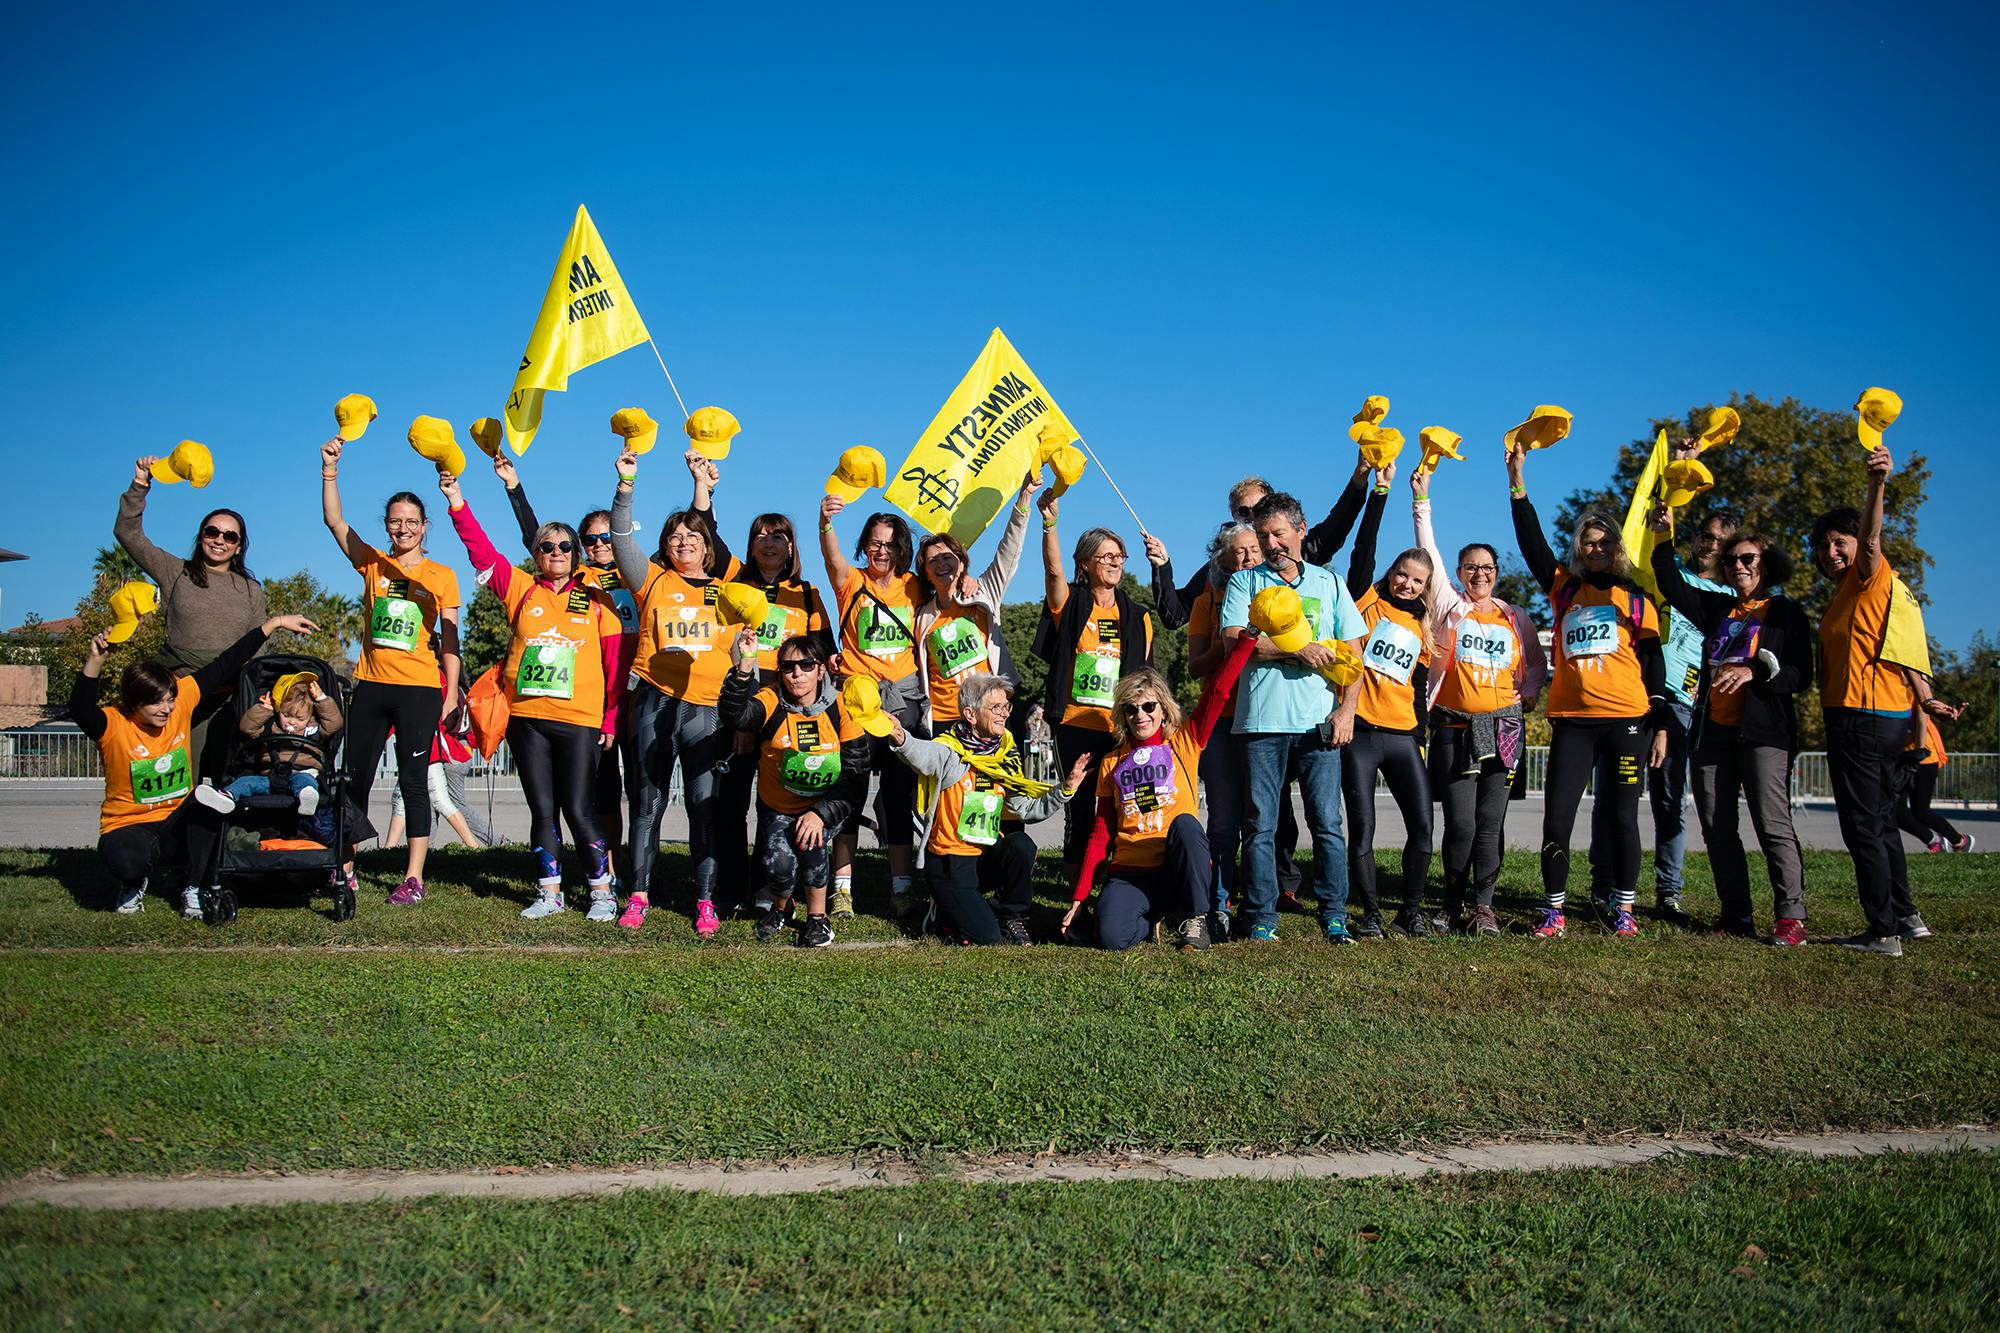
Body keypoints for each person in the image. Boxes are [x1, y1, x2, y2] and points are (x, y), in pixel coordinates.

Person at [443, 469, 622, 920]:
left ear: (576, 554)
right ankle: (549, 892)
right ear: (536, 555)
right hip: (527, 719)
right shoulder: (520, 590)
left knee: (581, 810)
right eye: (547, 546)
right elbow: (479, 551)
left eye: (565, 546)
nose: (556, 552)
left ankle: (602, 891)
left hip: (580, 719)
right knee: (542, 810)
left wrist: (610, 719)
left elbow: (615, 665)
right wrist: (457, 500)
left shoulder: (598, 597)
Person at [1508, 446, 1666, 940]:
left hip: (1628, 722)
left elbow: (1656, 664)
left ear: (1616, 546)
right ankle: (1553, 913)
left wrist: (1660, 723)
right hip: (1573, 721)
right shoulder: (1564, 590)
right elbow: (1532, 544)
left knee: (1622, 817)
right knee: (1557, 816)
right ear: (1579, 549)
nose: (1594, 550)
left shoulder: (1636, 597)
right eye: (1587, 544)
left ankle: (1623, 909)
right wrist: (1518, 484)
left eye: (1602, 543)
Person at [71, 614, 317, 917]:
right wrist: (95, 660)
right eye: (156, 703)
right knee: (125, 859)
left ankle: (193, 887)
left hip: (177, 819)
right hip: (128, 826)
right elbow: (80, 708)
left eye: (170, 700)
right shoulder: (113, 724)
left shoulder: (182, 701)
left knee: (210, 800)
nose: (167, 709)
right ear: (134, 704)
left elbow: (225, 664)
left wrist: (274, 624)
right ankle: (133, 884)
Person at [1647, 504, 1814, 944]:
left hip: (1763, 733)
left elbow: (1802, 673)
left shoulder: (1784, 613)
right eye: (1731, 560)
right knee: (1716, 825)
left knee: (1771, 823)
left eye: (1748, 559)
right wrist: (1664, 536)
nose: (1738, 566)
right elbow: (1669, 583)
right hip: (1712, 733)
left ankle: (1790, 915)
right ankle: (1736, 913)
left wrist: (1756, 673)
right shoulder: (1721, 609)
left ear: (1766, 564)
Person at [1813, 446, 1955, 955]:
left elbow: (1872, 537)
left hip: (1861, 719)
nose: (1832, 551)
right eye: (1823, 545)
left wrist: (1877, 485)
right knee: (1883, 820)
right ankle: (1906, 916)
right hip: (1885, 719)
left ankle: (1882, 931)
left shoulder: (1868, 577)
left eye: (1839, 542)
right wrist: (1926, 697)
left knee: (1863, 827)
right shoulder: (1861, 593)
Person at [1219, 490, 1369, 943]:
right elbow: (1233, 644)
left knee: (1327, 823)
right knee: (1260, 824)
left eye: (1279, 534)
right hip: (1262, 723)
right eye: (1264, 536)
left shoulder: (1329, 583)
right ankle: (1262, 915)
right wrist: (1298, 649)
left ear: (1300, 532)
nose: (1272, 544)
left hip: (1319, 723)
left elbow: (1354, 653)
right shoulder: (1245, 584)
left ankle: (1334, 912)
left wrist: (1347, 710)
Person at [319, 439, 462, 905]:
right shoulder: (372, 565)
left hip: (419, 688)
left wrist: (453, 691)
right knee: (354, 777)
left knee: (413, 781)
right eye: (395, 521)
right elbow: (335, 523)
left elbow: (452, 639)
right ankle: (345, 868)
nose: (403, 528)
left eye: (411, 521)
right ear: (387, 526)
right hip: (372, 685)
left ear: (425, 527)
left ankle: (414, 877)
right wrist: (330, 472)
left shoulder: (442, 576)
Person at [493, 452, 641, 892]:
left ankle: (636, 873)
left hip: (639, 688)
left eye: (604, 539)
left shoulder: (639, 573)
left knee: (641, 787)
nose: (598, 546)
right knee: (601, 786)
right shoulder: (576, 580)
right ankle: (606, 873)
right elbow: (534, 537)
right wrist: (513, 487)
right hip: (590, 696)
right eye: (590, 541)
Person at [609, 447, 740, 934]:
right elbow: (621, 538)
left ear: (707, 547)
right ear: (664, 546)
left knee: (704, 808)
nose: (683, 540)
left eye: (692, 535)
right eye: (674, 535)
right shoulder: (653, 580)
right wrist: (626, 483)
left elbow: (708, 521)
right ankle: (638, 894)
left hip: (707, 708)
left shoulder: (728, 581)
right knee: (647, 803)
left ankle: (705, 901)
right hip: (654, 700)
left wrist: (702, 488)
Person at [1592, 486, 1738, 923]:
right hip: (1634, 694)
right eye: (1705, 535)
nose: (1709, 543)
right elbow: (1651, 538)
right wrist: (1675, 477)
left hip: (1682, 706)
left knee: (1669, 802)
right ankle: (1603, 884)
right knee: (1612, 797)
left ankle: (1668, 892)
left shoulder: (1728, 600)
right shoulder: (1667, 571)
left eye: (1720, 540)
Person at [1411, 468, 1545, 936]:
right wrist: (1421, 502)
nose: (1479, 575)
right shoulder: (1450, 606)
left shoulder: (1516, 616)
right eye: (1471, 568)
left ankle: (1483, 908)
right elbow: (1428, 552)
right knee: (1462, 823)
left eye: (1487, 568)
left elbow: (1536, 664)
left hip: (1505, 727)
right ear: (1461, 573)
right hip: (1454, 726)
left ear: (1496, 573)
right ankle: (1450, 905)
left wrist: (1527, 695)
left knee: (1491, 822)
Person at [1065, 634, 1256, 950]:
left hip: (1176, 867)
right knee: (1112, 938)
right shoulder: (1112, 761)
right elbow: (1101, 834)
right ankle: (1151, 917)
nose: (1140, 715)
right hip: (1130, 872)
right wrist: (1079, 898)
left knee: (1186, 824)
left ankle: (1196, 918)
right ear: (1123, 715)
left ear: (1163, 709)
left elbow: (1219, 692)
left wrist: (1247, 640)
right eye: (1131, 708)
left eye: (1148, 706)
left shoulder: (1185, 742)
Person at [882, 673, 1089, 945]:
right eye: (996, 708)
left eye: (1006, 707)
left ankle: (1012, 915)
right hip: (950, 863)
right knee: (989, 939)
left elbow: (1026, 810)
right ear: (970, 713)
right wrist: (900, 737)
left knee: (1020, 845)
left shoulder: (1003, 753)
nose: (1004, 713)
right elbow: (923, 755)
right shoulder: (949, 752)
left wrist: (1065, 789)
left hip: (985, 857)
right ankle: (943, 914)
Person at [115, 456, 269, 780]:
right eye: (213, 532)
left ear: (240, 547)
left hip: (231, 702)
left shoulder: (252, 589)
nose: (220, 540)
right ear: (201, 535)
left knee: (228, 782)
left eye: (230, 537)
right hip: (181, 700)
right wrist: (140, 484)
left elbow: (258, 650)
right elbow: (128, 533)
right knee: (179, 780)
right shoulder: (176, 572)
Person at [1031, 490, 1156, 883]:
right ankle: (1076, 888)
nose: (1115, 562)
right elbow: (1052, 572)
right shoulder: (1070, 602)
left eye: (1120, 556)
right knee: (1082, 807)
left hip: (1124, 727)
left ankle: (1124, 880)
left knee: (1128, 802)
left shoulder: (1139, 616)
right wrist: (1049, 523)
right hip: (1077, 723)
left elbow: (1147, 681)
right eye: (1106, 556)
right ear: (1084, 564)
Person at [1336, 462, 1438, 937]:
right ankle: (1371, 914)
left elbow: (1417, 691)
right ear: (1392, 572)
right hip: (1360, 732)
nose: (1407, 585)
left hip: (1402, 737)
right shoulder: (1364, 598)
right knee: (1364, 828)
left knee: (1422, 825)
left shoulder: (1423, 627)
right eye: (1402, 575)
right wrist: (1381, 490)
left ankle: (1409, 912)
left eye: (1417, 581)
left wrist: (1421, 733)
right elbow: (1364, 546)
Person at [717, 631, 871, 947]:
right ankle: (782, 907)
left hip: (825, 804)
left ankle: (818, 919)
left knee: (811, 848)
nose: (797, 673)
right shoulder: (771, 700)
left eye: (805, 665)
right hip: (777, 805)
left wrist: (820, 813)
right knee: (777, 865)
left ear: (820, 670)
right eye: (788, 667)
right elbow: (735, 715)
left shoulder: (841, 708)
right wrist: (745, 667)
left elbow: (856, 775)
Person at [718, 511, 836, 915]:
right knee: (732, 805)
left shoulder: (807, 593)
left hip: (792, 714)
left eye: (779, 536)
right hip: (747, 706)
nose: (769, 543)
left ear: (791, 546)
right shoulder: (734, 587)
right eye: (761, 536)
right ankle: (734, 888)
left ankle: (778, 887)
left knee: (784, 804)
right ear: (750, 545)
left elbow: (823, 652)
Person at [818, 492, 925, 916]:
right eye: (876, 543)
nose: (883, 551)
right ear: (865, 545)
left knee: (899, 797)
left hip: (903, 702)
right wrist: (825, 522)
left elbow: (950, 587)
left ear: (903, 549)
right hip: (857, 702)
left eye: (891, 544)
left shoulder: (914, 585)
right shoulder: (852, 582)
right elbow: (832, 559)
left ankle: (901, 888)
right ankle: (842, 888)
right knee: (850, 792)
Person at [912, 472, 1039, 735]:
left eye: (948, 557)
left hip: (990, 715)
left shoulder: (982, 592)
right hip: (944, 722)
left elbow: (1010, 550)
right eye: (932, 561)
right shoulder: (921, 615)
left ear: (961, 562)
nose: (941, 564)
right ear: (925, 572)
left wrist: (1024, 498)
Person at [1183, 521, 1264, 935]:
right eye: (1240, 552)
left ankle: (1258, 901)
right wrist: (1229, 643)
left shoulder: (1278, 596)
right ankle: (1217, 902)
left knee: (1261, 817)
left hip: (1266, 717)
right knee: (1222, 818)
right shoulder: (1205, 602)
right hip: (1220, 718)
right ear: (1223, 558)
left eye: (1255, 549)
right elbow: (1195, 665)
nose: (1250, 557)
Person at [193, 674, 342, 816]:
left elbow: (335, 723)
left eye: (299, 718)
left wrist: (321, 699)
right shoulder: (271, 726)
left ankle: (307, 797)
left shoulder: (314, 729)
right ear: (278, 710)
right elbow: (247, 728)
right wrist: (265, 710)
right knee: (246, 782)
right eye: (286, 715)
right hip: (270, 776)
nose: (292, 721)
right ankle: (227, 797)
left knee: (304, 782)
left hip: (303, 772)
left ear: (310, 717)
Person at [1896, 686, 1972, 854]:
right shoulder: (1891, 690)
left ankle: (1959, 841)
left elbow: (1922, 721)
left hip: (1924, 758)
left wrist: (1918, 752)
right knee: (1894, 809)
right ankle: (1934, 841)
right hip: (1902, 757)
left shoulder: (1916, 690)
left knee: (1920, 811)